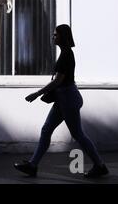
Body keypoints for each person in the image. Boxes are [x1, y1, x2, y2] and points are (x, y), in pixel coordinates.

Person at [14, 24, 109, 178]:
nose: (53, 37)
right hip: (64, 99)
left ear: (63, 36)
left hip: (68, 100)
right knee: (47, 130)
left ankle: (100, 165)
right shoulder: (64, 53)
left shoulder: (66, 55)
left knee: (78, 134)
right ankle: (33, 165)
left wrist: (37, 93)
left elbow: (58, 81)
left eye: (55, 35)